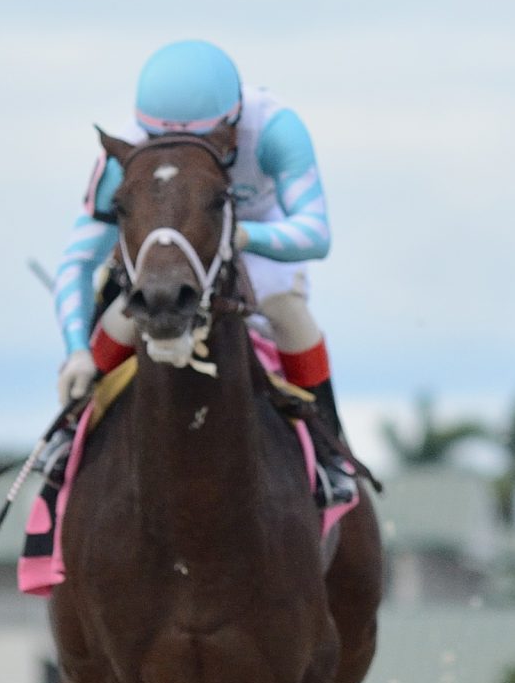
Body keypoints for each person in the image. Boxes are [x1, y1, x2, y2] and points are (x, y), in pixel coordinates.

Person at [49, 39, 353, 501]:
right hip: (173, 250)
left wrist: (246, 238)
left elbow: (316, 233)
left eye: (207, 144)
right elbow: (77, 260)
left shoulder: (276, 128)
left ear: (233, 128)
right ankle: (70, 433)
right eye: (160, 144)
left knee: (287, 313)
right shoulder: (123, 153)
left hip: (257, 238)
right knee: (119, 321)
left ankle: (333, 452)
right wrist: (76, 351)